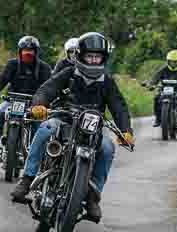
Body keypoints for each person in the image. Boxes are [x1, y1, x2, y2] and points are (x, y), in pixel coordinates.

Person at [10, 32, 134, 221]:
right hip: (63, 119)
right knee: (45, 130)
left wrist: (126, 131)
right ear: (80, 56)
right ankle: (26, 180)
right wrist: (39, 105)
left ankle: (93, 198)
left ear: (103, 58)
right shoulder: (69, 73)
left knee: (108, 148)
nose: (93, 61)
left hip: (91, 128)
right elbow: (47, 89)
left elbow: (118, 106)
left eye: (97, 57)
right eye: (89, 56)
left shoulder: (106, 81)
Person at [0, 36, 52, 161]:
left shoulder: (45, 68)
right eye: (25, 50)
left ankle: (36, 155)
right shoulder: (12, 64)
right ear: (20, 51)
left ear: (36, 52)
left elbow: (49, 88)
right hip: (12, 100)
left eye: (31, 51)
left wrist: (48, 101)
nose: (28, 53)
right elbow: (1, 80)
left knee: (39, 124)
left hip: (34, 103)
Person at [147, 50, 177, 129]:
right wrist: (151, 84)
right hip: (164, 90)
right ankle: (158, 118)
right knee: (156, 98)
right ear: (168, 61)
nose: (173, 64)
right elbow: (155, 77)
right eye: (171, 62)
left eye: (175, 62)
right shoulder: (163, 69)